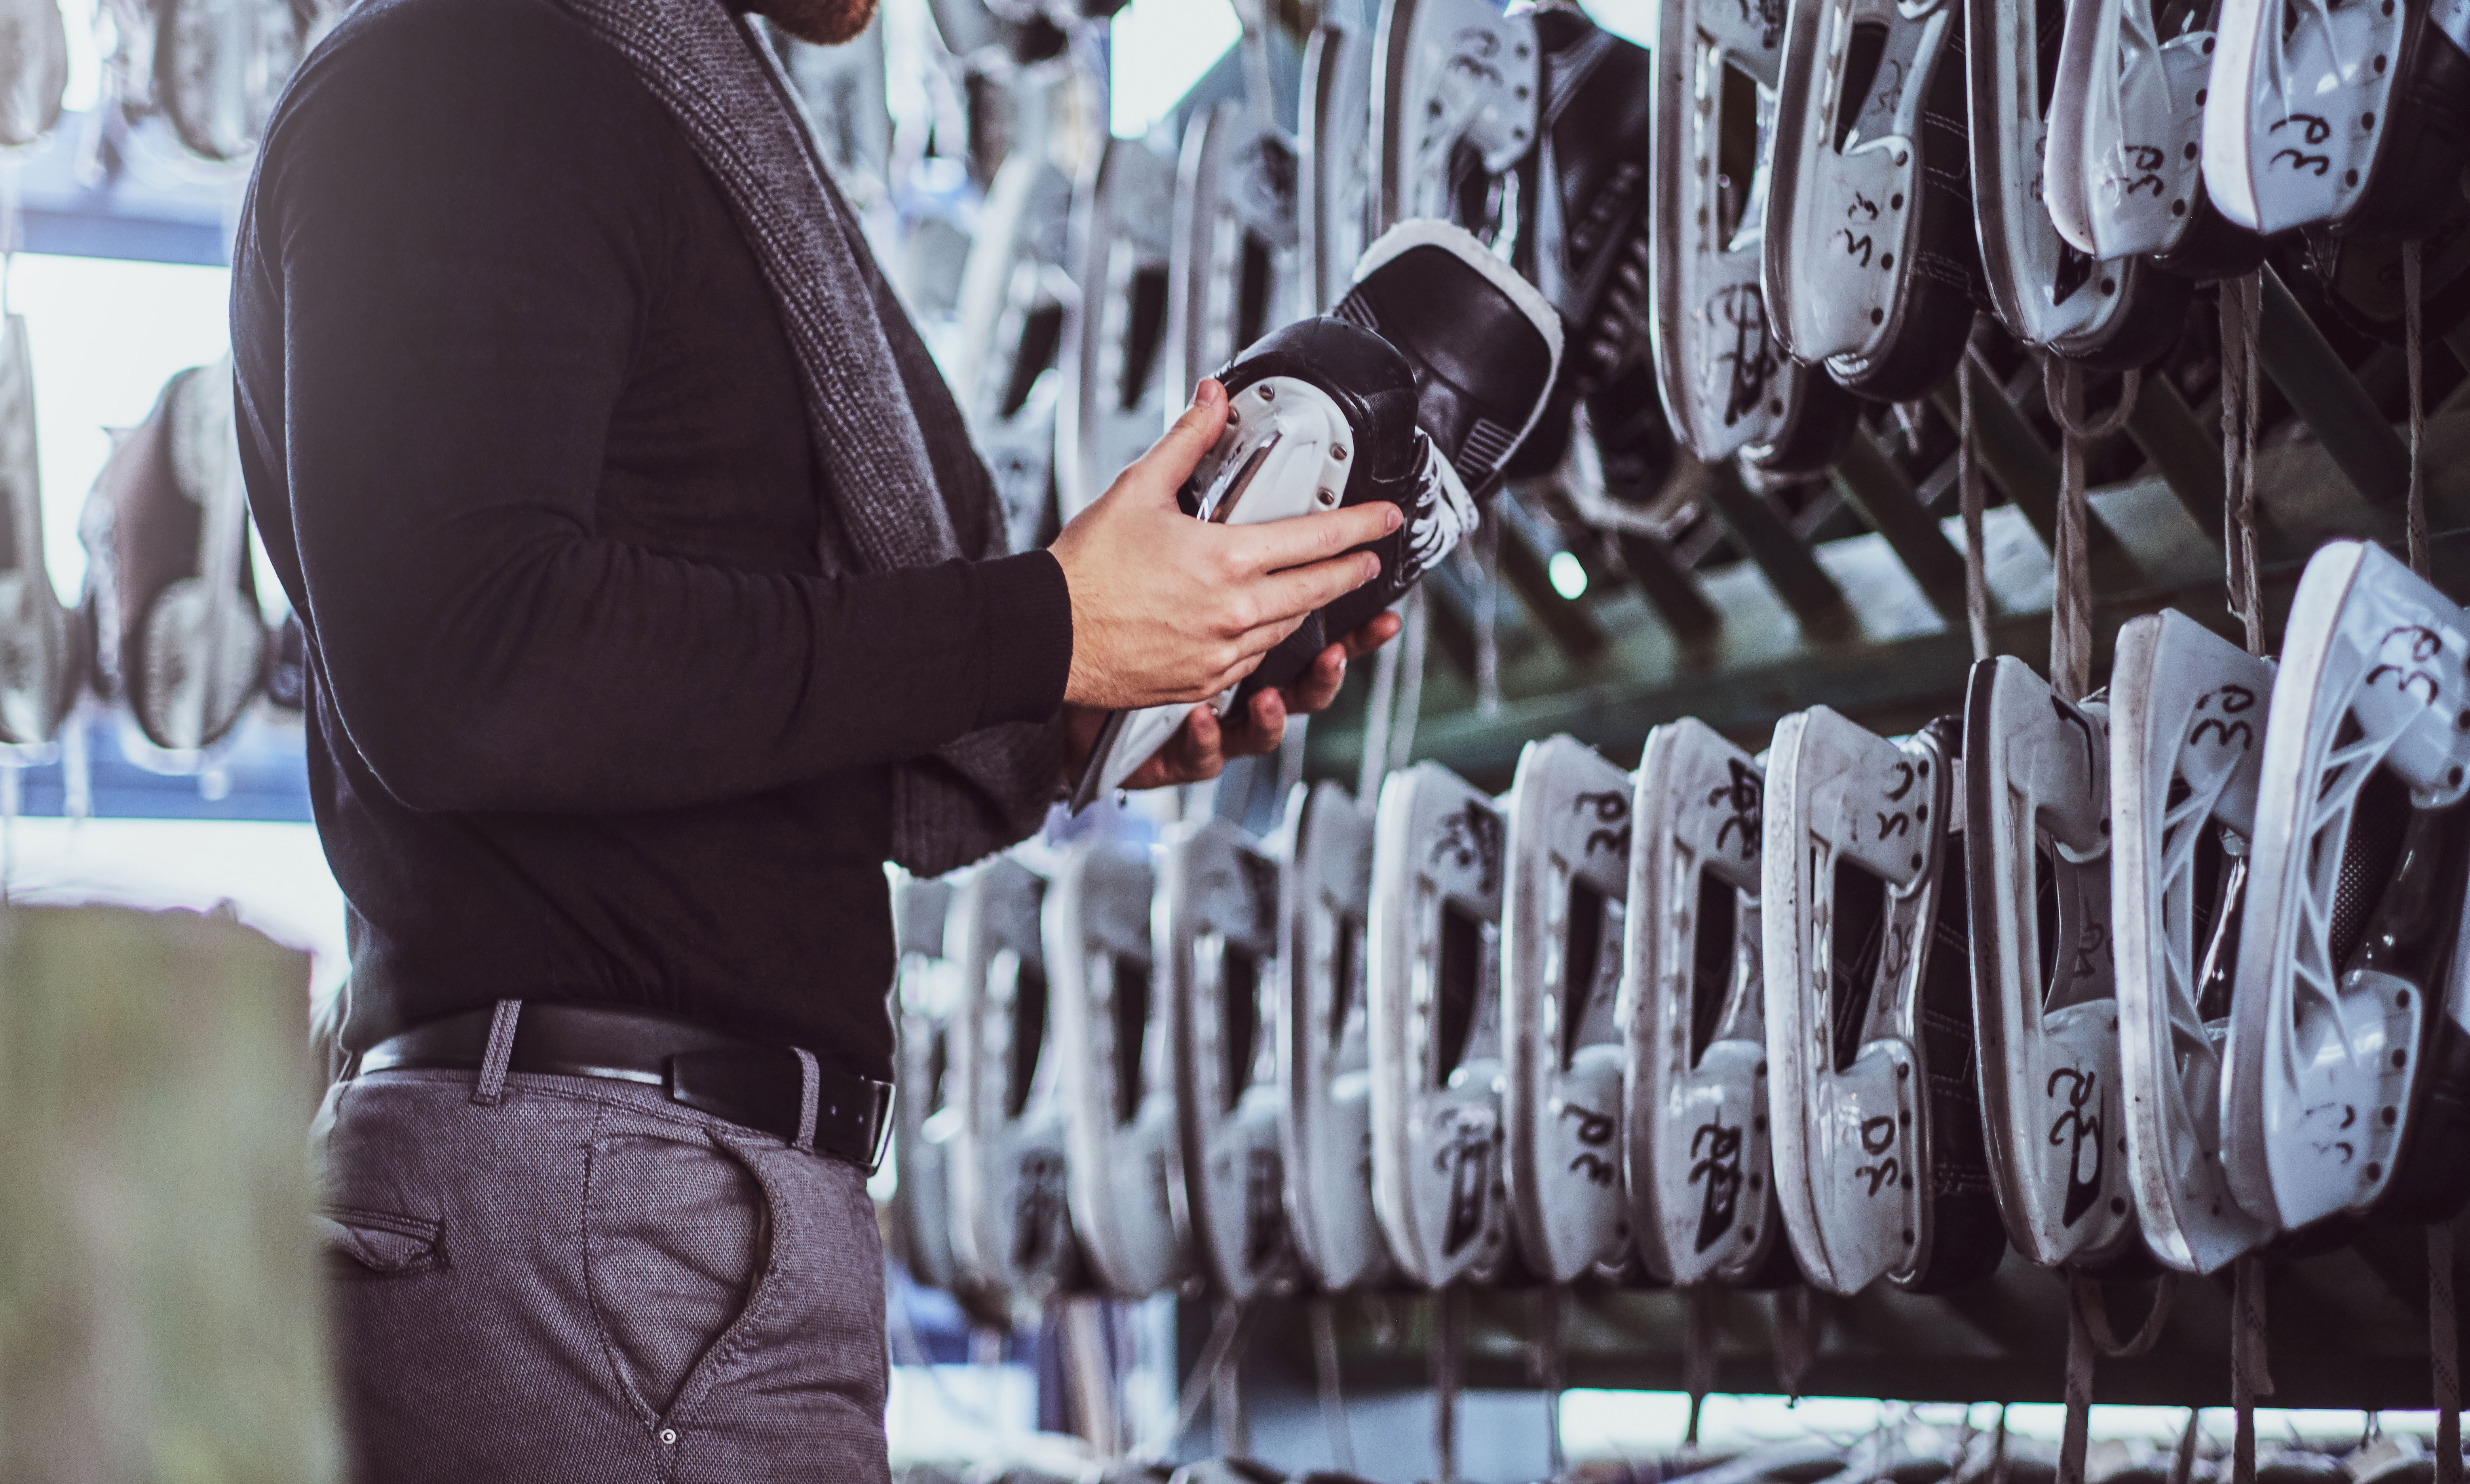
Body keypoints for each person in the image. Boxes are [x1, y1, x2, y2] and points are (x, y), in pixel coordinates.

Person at [228, 0, 1399, 1470]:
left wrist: (1086, 693)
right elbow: (472, 665)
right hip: (607, 1221)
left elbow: (678, 686)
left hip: (647, 1216)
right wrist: (1039, 627)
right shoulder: (472, 75)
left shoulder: (625, 100)